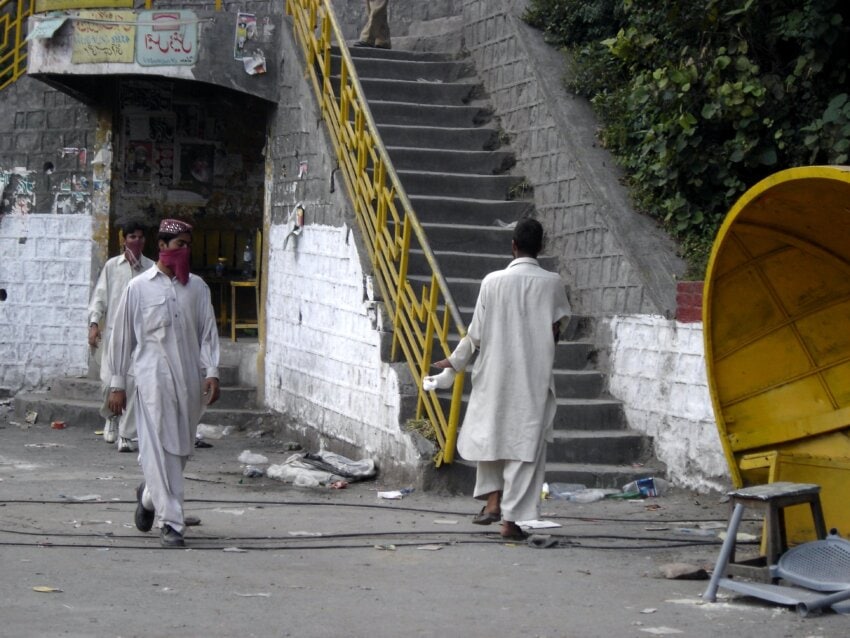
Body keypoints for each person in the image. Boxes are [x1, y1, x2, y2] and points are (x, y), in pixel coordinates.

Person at [424, 218, 570, 541]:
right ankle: (509, 521)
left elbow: (474, 335)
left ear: (513, 246)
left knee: (494, 437)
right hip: (531, 377)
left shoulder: (492, 282)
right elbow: (555, 331)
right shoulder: (553, 283)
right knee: (523, 448)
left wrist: (455, 363)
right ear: (541, 248)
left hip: (494, 372)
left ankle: (493, 503)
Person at [105, 218, 221, 548]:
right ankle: (171, 523)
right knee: (159, 451)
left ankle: (147, 498)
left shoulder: (197, 288)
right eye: (179, 244)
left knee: (180, 451)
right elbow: (123, 337)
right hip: (151, 381)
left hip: (188, 382)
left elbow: (208, 332)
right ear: (163, 246)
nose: (184, 251)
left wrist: (212, 371)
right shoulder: (138, 288)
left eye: (188, 246)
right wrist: (117, 383)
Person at [88, 218, 154, 452]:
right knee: (110, 381)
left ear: (145, 240)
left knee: (133, 382)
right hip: (115, 334)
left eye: (140, 237)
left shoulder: (151, 269)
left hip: (139, 336)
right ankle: (111, 418)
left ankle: (126, 431)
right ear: (124, 239)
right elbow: (100, 297)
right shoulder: (112, 267)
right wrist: (94, 323)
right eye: (131, 237)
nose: (136, 241)